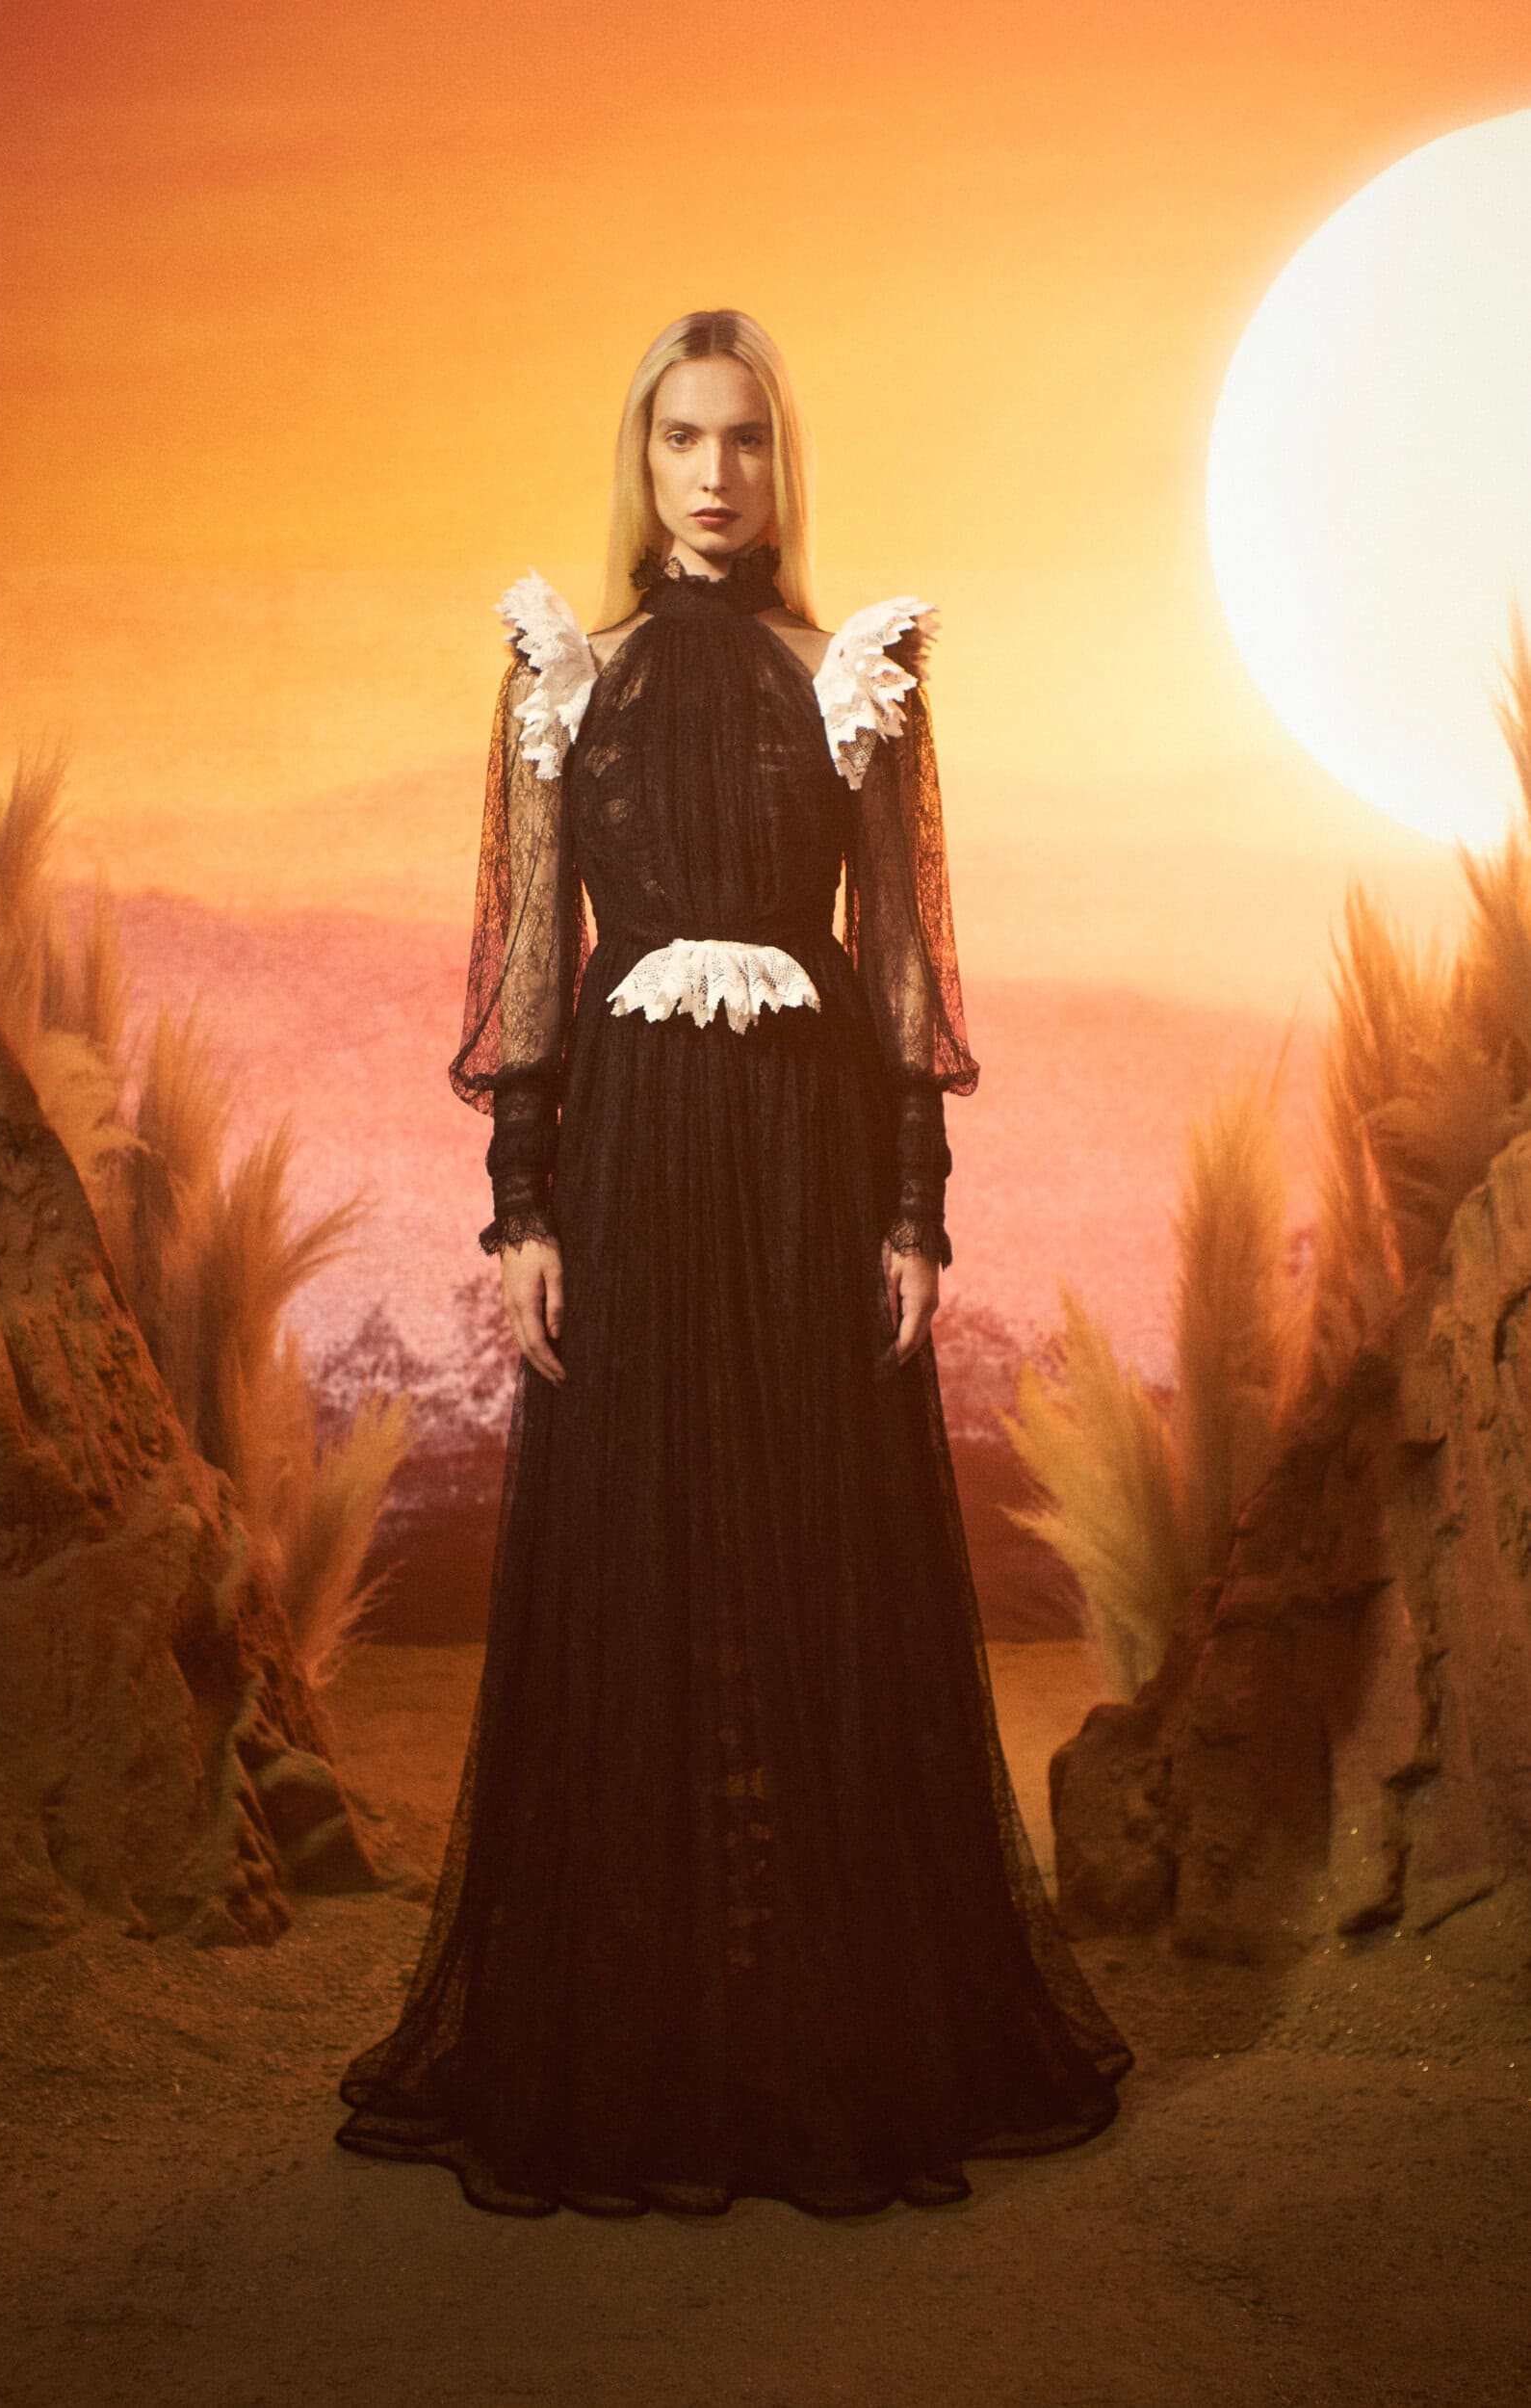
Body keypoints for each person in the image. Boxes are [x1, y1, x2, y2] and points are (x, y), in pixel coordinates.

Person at [334, 307, 1133, 2218]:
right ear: (643, 460)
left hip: (804, 1155)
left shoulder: (850, 677)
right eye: (683, 437)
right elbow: (533, 968)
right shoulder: (567, 677)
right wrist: (522, 1207)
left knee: (811, 1543)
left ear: (783, 462)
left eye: (747, 438)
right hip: (627, 1155)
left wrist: (913, 1207)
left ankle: (822, 2027)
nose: (715, 471)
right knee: (642, 1540)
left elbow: (908, 963)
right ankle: (646, 2034)